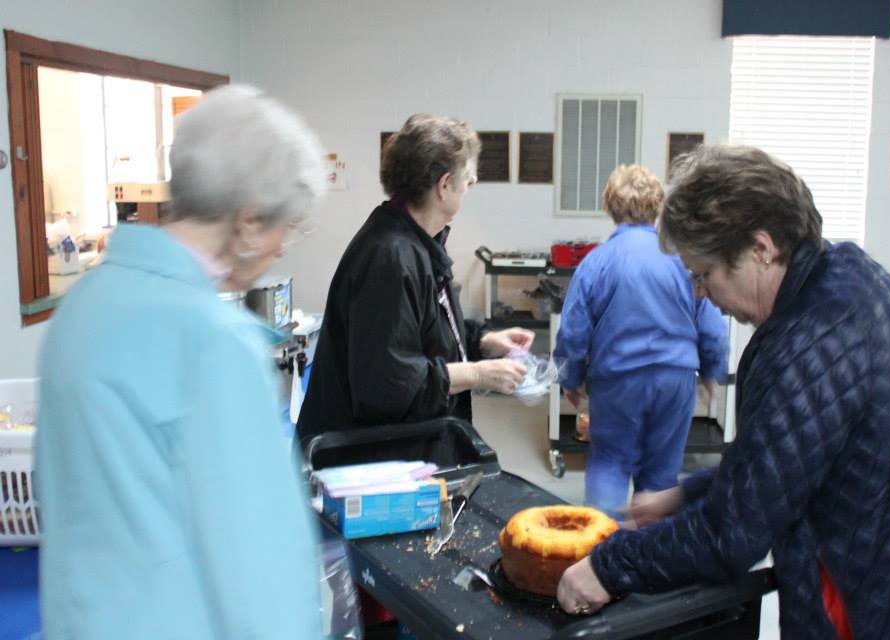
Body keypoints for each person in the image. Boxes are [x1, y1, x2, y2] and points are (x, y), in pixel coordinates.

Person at [556, 145, 890, 639]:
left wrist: (606, 568)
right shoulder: (851, 284)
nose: (701, 293)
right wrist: (685, 494)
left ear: (760, 249)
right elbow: (789, 457)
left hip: (875, 605)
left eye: (704, 274)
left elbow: (731, 537)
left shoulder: (809, 344)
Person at [35, 86, 331, 639]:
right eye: (284, 227)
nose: (283, 247)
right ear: (247, 221)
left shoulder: (83, 305)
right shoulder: (214, 341)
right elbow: (261, 570)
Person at [296, 114, 533, 459]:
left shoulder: (417, 242)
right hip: (367, 462)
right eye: (468, 178)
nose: (472, 183)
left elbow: (421, 333)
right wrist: (478, 374)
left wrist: (481, 341)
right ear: (445, 185)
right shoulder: (390, 258)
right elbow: (389, 387)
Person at [553, 164, 728, 516]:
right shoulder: (683, 261)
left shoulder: (596, 262)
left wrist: (570, 381)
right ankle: (652, 555)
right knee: (662, 473)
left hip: (618, 382)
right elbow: (711, 326)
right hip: (675, 381)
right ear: (659, 207)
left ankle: (603, 551)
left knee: (610, 464)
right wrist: (713, 370)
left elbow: (573, 331)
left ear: (610, 207)